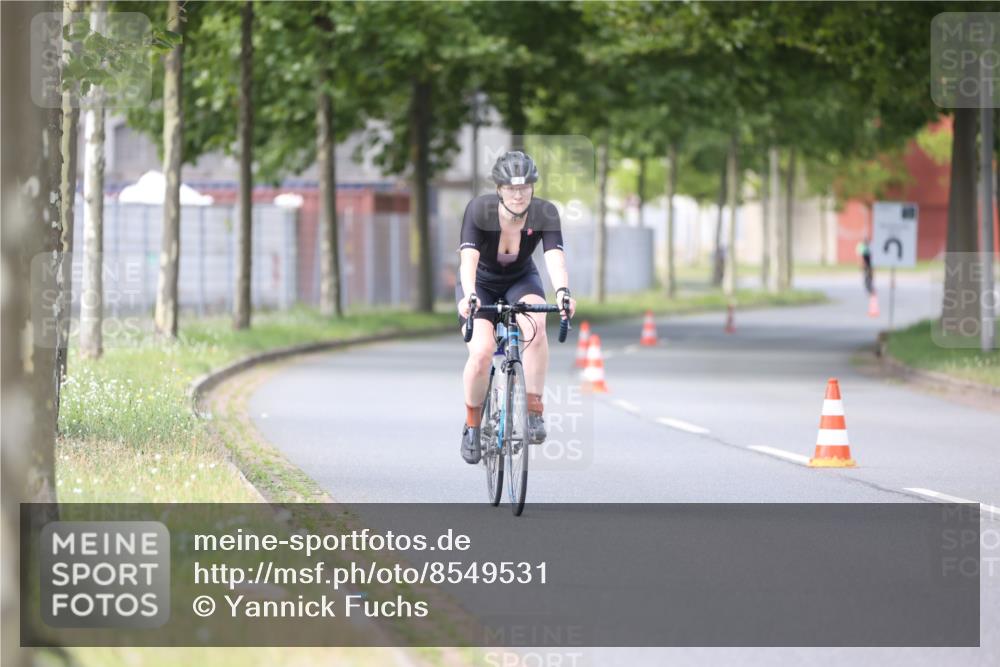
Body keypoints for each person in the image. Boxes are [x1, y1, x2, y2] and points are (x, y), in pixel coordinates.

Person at [456, 150, 576, 464]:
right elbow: (468, 259)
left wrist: (563, 291)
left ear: (533, 188)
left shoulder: (545, 213)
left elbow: (554, 257)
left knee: (536, 330)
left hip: (521, 279)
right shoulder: (479, 210)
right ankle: (471, 425)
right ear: (499, 189)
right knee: (482, 352)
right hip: (480, 282)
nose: (519, 194)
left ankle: (534, 411)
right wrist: (469, 294)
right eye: (511, 188)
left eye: (525, 187)